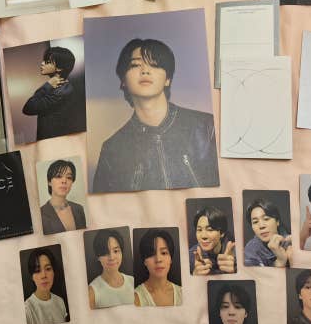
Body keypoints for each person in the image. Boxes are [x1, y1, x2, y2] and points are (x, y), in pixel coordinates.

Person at [92, 38, 219, 192]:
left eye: (154, 64)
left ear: (168, 79)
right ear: (123, 80)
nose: (145, 71)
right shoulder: (112, 150)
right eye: (135, 65)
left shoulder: (207, 127)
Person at [22, 46, 81, 141]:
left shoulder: (61, 91)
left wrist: (47, 85)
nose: (42, 63)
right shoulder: (61, 87)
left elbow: (28, 108)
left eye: (47, 62)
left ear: (59, 68)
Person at [134, 229, 182, 306]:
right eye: (152, 253)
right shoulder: (136, 298)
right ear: (144, 261)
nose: (158, 259)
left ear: (171, 259)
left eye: (164, 253)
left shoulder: (182, 293)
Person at [88, 229, 134, 309]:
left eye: (116, 251)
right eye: (106, 253)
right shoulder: (92, 292)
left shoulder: (133, 282)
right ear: (98, 257)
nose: (112, 257)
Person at [24, 248, 68, 324]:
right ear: (32, 277)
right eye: (37, 270)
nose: (43, 275)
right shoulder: (27, 310)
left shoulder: (60, 301)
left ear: (54, 272)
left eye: (48, 269)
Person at [40, 160, 86, 235]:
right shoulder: (40, 215)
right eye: (58, 176)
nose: (64, 181)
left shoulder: (79, 209)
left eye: (69, 177)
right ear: (49, 182)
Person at [244, 198, 293, 267]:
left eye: (266, 219)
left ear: (277, 221)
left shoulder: (291, 241)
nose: (261, 226)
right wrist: (280, 261)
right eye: (255, 222)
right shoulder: (250, 250)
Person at [188, 206, 236, 275]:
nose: (203, 236)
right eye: (199, 230)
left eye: (210, 230)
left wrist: (235, 272)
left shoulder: (235, 254)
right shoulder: (190, 257)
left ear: (222, 233)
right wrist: (194, 275)